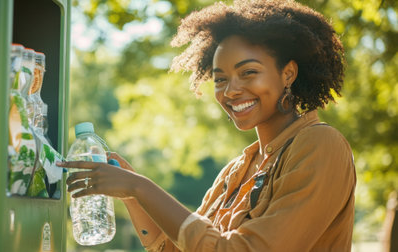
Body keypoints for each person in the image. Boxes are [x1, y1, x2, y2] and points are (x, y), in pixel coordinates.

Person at [57, 0, 356, 251]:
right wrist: (133, 194)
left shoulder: (320, 145)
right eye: (220, 79)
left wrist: (141, 187)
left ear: (288, 73)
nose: (231, 91)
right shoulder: (236, 171)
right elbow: (178, 247)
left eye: (249, 72)